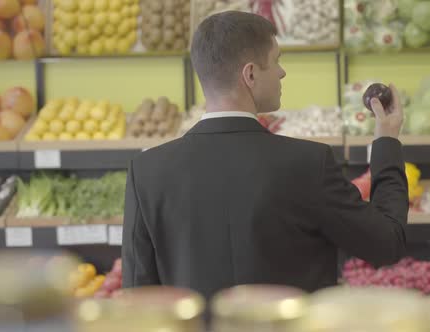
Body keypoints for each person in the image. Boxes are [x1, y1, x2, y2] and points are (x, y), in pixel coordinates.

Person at [122, 11, 408, 299]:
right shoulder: (308, 163)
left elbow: (137, 297)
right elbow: (386, 244)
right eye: (277, 61)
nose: (282, 72)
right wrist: (386, 140)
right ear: (250, 74)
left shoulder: (146, 171)